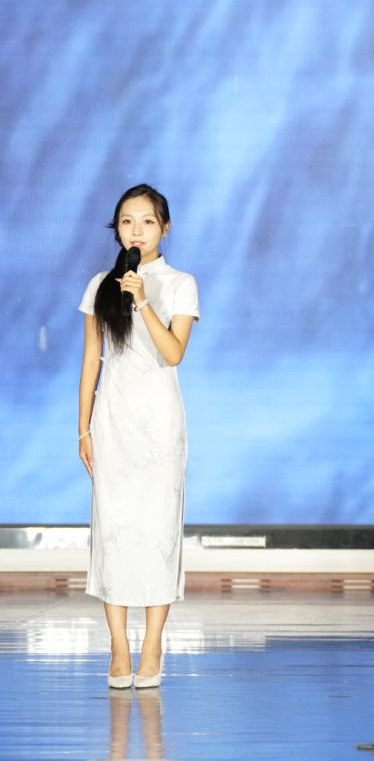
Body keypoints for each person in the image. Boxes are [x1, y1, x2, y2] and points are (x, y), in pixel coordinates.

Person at [78, 184, 200, 690]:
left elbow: (173, 354)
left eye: (147, 221)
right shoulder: (100, 285)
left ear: (164, 228)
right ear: (117, 229)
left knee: (157, 531)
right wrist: (82, 427)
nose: (137, 231)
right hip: (113, 422)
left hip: (160, 425)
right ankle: (118, 645)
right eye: (127, 221)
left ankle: (152, 645)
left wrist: (145, 301)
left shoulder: (180, 283)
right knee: (114, 529)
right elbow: (91, 360)